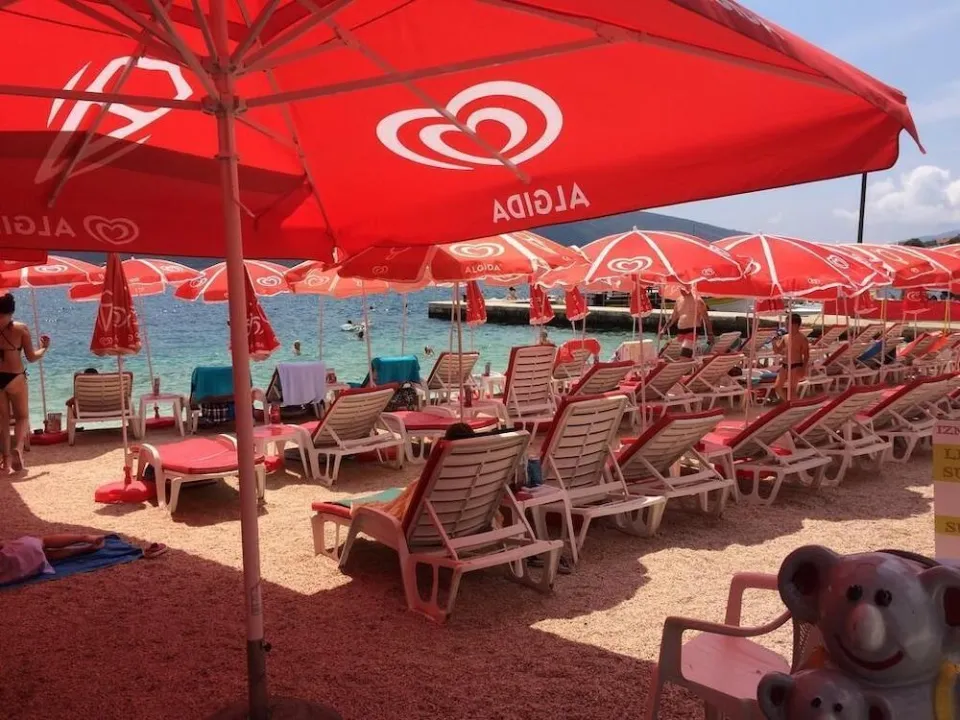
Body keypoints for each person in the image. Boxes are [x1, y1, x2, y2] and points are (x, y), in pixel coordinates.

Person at [0, 293, 49, 472]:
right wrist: (44, 348)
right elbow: (31, 357)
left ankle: (5, 460)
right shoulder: (20, 329)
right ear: (11, 310)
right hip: (15, 377)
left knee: (3, 420)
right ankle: (18, 449)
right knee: (22, 416)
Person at [0, 534, 104, 586]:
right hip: (20, 551)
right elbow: (2, 545)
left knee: (49, 556)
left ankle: (85, 549)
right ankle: (84, 538)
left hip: (19, 569)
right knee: (44, 541)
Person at [769, 313, 809, 403]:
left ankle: (794, 404)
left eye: (787, 324)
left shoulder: (802, 338)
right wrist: (774, 342)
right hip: (785, 366)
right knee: (777, 387)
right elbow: (777, 351)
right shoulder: (785, 337)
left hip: (796, 366)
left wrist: (803, 369)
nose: (786, 326)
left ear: (795, 325)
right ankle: (789, 403)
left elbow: (806, 356)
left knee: (792, 390)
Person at [667, 286, 713, 358]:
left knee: (684, 354)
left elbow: (706, 318)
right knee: (680, 354)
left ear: (689, 287)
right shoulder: (678, 300)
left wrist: (710, 333)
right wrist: (664, 329)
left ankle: (686, 362)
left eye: (683, 287)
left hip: (692, 331)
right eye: (680, 287)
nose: (681, 290)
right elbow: (673, 316)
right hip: (681, 331)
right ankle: (690, 363)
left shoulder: (698, 300)